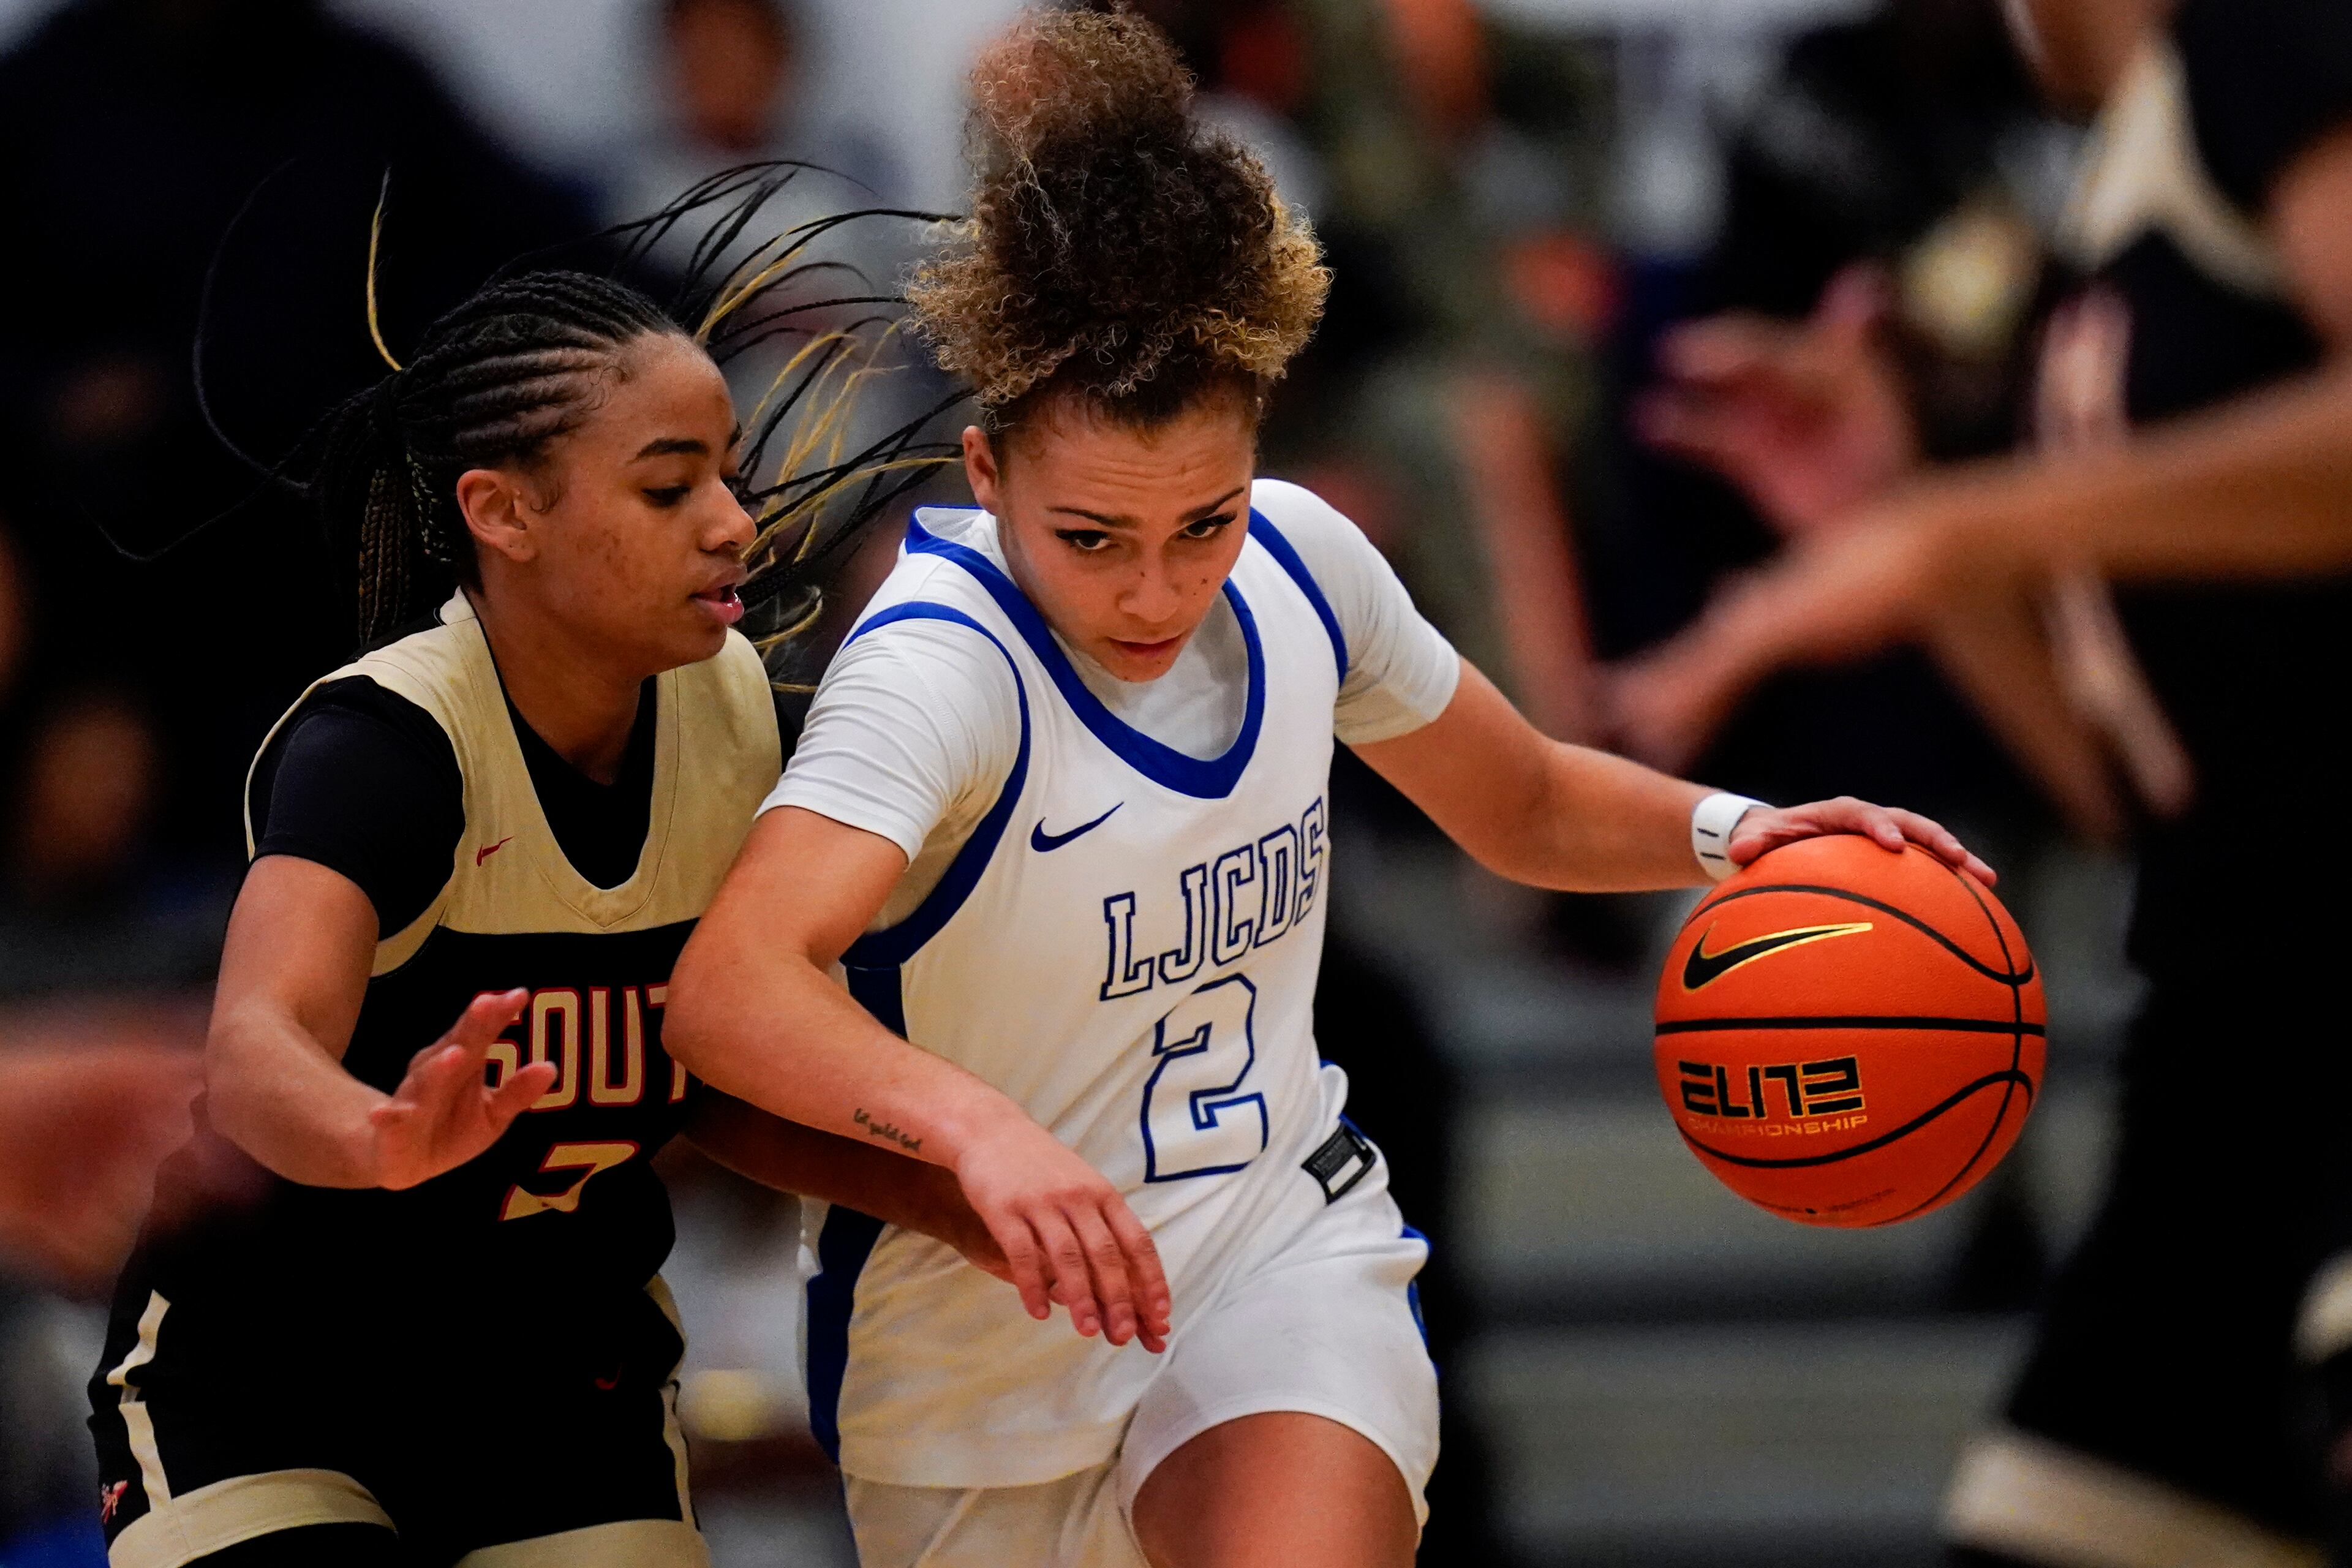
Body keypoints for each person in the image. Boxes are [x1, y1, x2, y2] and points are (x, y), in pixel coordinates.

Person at [662, 13, 1994, 1566]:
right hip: (977, 1354)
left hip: (1270, 1259)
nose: (1155, 588)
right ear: (988, 472)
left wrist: (1738, 834)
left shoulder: (1304, 559)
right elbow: (730, 993)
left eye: (1203, 521)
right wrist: (979, 1133)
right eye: (1091, 537)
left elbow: (1525, 801)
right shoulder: (936, 674)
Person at [84, 263, 1008, 1568]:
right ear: (503, 511)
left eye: (729, 477)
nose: (732, 524)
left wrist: (948, 1193)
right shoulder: (388, 746)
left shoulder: (733, 714)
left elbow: (709, 1084)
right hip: (269, 1377)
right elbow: (252, 1046)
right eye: (670, 489)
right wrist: (380, 1138)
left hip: (556, 1374)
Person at [1607, 0, 2352, 1560]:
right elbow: (2130, 787)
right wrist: (1902, 519)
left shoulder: (2272, 39)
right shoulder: (2107, 180)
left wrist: (1967, 526)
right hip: (2232, 1061)